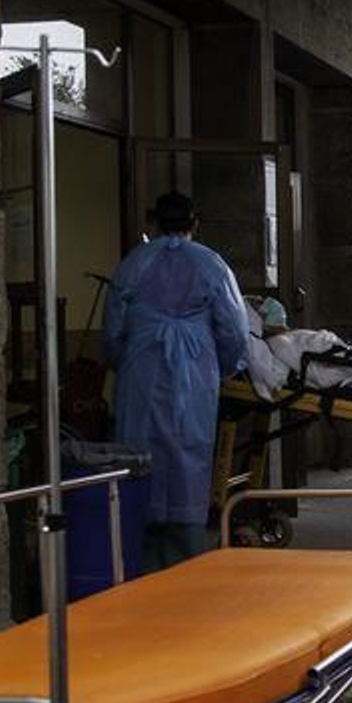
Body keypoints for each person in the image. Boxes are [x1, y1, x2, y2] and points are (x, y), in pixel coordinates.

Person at [104, 192, 248, 572]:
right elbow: (234, 330)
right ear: (194, 223)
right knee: (189, 450)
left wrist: (125, 362)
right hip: (195, 371)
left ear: (154, 223)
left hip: (142, 368)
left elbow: (114, 330)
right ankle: (187, 550)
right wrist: (223, 367)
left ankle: (140, 549)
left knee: (139, 450)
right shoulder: (211, 265)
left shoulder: (133, 263)